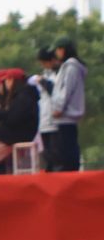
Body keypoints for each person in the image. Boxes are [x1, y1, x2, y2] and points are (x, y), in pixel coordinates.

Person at [0, 68, 42, 174]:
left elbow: (12, 119)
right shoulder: (23, 94)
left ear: (13, 81)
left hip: (16, 136)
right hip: (17, 134)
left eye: (8, 80)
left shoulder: (24, 96)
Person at [46, 36, 87, 172]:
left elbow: (66, 91)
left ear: (63, 50)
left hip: (66, 114)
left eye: (57, 50)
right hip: (64, 115)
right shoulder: (68, 67)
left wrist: (58, 108)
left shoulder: (71, 67)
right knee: (65, 149)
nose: (56, 53)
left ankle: (71, 174)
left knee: (68, 149)